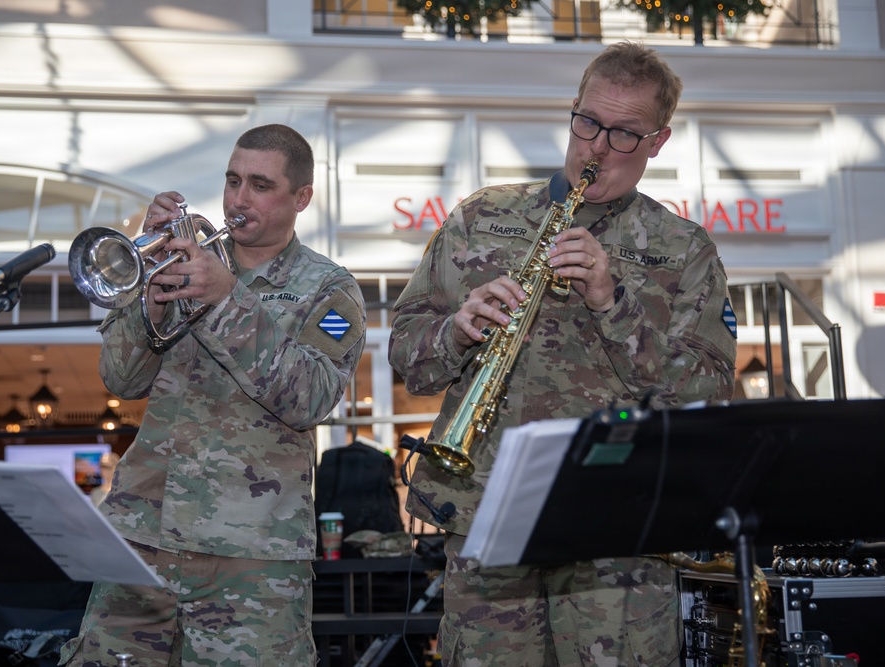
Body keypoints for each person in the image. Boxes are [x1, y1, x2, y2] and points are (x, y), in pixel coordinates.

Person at [389, 42, 737, 666]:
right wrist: (457, 331)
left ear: (658, 142)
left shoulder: (683, 249)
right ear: (572, 110)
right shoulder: (480, 218)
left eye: (625, 134)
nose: (597, 147)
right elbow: (408, 358)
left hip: (623, 528)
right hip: (489, 512)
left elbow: (709, 394)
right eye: (588, 123)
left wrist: (612, 303)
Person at [60, 124, 366, 667]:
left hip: (252, 554)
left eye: (259, 185)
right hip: (142, 536)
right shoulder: (180, 264)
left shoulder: (331, 289)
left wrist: (229, 300)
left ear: (301, 198)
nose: (237, 199)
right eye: (231, 180)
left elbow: (310, 398)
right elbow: (122, 380)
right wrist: (148, 299)